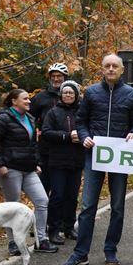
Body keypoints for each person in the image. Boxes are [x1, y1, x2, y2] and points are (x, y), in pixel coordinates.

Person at [60, 54, 133, 265]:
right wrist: (85, 135)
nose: (111, 69)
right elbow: (81, 120)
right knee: (88, 205)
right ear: (102, 69)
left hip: (119, 157)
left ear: (122, 69)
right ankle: (80, 253)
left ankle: (110, 249)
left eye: (115, 66)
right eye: (107, 66)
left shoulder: (131, 94)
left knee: (117, 206)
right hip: (94, 154)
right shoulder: (92, 92)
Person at [0, 89, 56, 254]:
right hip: (11, 169)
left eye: (29, 99)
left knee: (42, 201)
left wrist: (37, 163)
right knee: (13, 206)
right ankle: (13, 243)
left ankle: (41, 240)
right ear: (14, 101)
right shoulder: (4, 118)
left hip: (28, 169)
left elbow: (33, 144)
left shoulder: (30, 118)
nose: (29, 101)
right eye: (25, 99)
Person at [41, 80, 85, 246]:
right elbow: (46, 133)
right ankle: (53, 229)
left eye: (71, 93)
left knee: (72, 197)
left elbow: (88, 129)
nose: (68, 95)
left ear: (76, 95)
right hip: (57, 161)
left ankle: (69, 227)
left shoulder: (81, 112)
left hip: (76, 160)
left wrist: (81, 135)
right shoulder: (53, 112)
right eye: (65, 92)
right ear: (61, 94)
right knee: (57, 196)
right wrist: (66, 136)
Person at [30, 62, 70, 241]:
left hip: (65, 152)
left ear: (65, 78)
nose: (56, 79)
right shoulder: (40, 98)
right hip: (45, 150)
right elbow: (30, 118)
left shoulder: (71, 96)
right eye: (53, 76)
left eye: (59, 76)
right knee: (43, 191)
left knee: (62, 191)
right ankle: (40, 226)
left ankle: (61, 224)